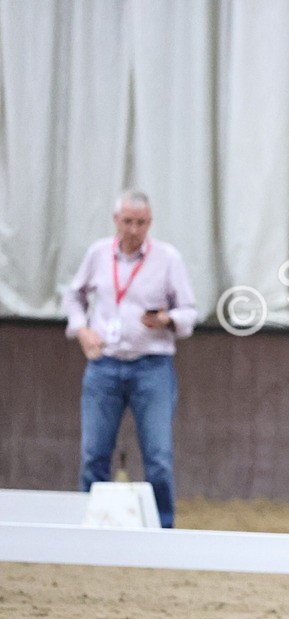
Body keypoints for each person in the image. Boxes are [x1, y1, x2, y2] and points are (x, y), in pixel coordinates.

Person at [63, 190, 197, 528]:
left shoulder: (168, 259)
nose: (133, 229)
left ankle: (163, 528)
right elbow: (73, 296)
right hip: (104, 365)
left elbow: (189, 312)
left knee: (158, 458)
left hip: (151, 366)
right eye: (127, 221)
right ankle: (91, 527)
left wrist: (166, 319)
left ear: (149, 223)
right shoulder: (97, 254)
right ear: (115, 220)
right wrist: (82, 329)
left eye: (140, 223)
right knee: (94, 453)